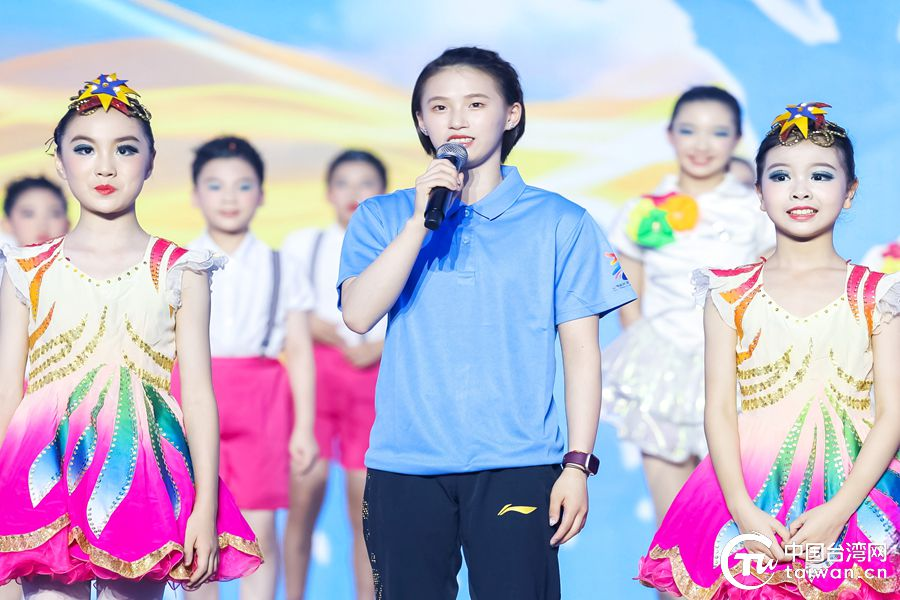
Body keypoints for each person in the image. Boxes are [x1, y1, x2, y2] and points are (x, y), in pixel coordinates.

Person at [338, 47, 636, 599]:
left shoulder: (561, 221)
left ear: (511, 114)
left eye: (476, 104)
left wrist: (577, 465)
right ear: (422, 122)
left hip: (518, 463)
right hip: (405, 466)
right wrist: (420, 220)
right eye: (439, 107)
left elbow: (581, 353)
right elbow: (358, 314)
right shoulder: (383, 215)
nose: (457, 119)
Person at [0, 74, 262, 600]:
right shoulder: (26, 269)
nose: (105, 166)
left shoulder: (181, 269)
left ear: (150, 161)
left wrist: (205, 507)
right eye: (84, 148)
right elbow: (7, 390)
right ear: (60, 161)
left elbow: (199, 397)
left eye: (125, 149)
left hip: (142, 473)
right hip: (43, 469)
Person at [638, 103, 900, 596]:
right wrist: (741, 509)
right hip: (751, 493)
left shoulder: (877, 294)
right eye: (781, 176)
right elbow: (718, 409)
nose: (800, 189)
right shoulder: (728, 293)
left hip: (858, 493)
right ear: (759, 194)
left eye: (820, 175)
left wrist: (838, 511)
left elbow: (893, 413)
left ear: (850, 192)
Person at [603, 86, 774, 527]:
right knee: (674, 527)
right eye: (688, 130)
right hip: (663, 370)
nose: (702, 145)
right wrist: (646, 354)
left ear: (737, 139)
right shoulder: (641, 211)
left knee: (738, 526)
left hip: (737, 372)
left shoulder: (757, 211)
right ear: (670, 135)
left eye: (718, 132)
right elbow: (629, 292)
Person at [171, 136, 318, 600]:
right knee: (197, 533)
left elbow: (300, 348)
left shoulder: (282, 264)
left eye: (243, 185)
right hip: (191, 393)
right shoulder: (175, 263)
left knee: (260, 533)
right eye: (215, 185)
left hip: (262, 399)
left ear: (262, 194)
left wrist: (305, 427)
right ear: (195, 195)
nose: (229, 197)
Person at [281, 150, 387, 600]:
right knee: (303, 501)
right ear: (328, 192)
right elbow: (286, 312)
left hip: (374, 382)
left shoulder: (399, 245)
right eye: (343, 183)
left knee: (367, 515)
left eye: (365, 184)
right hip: (316, 381)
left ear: (384, 192)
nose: (353, 193)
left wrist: (378, 347)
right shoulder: (303, 245)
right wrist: (316, 326)